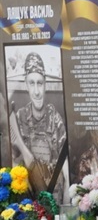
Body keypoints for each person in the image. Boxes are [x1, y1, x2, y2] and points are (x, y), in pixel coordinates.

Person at [8, 52, 67, 195]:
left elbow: (65, 163)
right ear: (26, 85)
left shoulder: (55, 118)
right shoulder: (19, 117)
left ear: (45, 83)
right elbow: (14, 162)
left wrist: (66, 198)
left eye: (39, 83)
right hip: (29, 196)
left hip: (54, 195)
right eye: (31, 83)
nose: (36, 92)